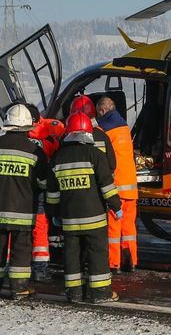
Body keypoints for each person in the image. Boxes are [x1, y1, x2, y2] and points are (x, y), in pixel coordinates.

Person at [46, 111, 121, 303]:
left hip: (69, 220)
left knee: (71, 255)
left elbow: (52, 194)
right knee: (97, 254)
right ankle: (101, 293)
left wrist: (54, 215)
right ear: (88, 133)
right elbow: (106, 185)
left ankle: (74, 293)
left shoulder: (58, 158)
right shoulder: (95, 155)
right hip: (94, 219)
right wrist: (116, 206)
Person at [0, 103, 48, 298]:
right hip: (23, 213)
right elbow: (43, 182)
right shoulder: (34, 151)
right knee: (21, 251)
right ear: (26, 127)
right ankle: (19, 288)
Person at [96, 94, 139, 273]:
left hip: (117, 187)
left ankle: (114, 264)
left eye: (98, 113)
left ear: (103, 110)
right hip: (131, 187)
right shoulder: (124, 127)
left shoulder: (104, 130)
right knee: (129, 227)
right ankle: (131, 262)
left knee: (114, 228)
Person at [25, 103, 65, 282]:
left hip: (27, 188)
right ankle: (39, 269)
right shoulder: (52, 129)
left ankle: (32, 267)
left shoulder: (21, 135)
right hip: (40, 186)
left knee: (35, 227)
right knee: (40, 227)